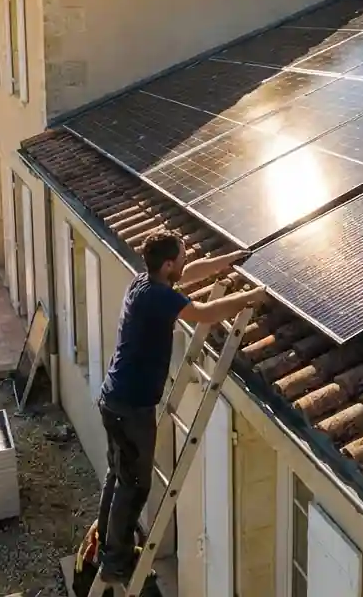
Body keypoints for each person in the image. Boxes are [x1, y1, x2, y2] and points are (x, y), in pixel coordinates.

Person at [94, 229, 263, 585]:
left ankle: (109, 548)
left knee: (118, 476)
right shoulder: (158, 296)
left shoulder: (146, 282)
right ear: (168, 264)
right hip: (132, 407)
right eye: (181, 259)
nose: (186, 263)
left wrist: (228, 259)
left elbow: (196, 270)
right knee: (135, 485)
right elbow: (204, 313)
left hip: (116, 400)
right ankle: (115, 561)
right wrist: (253, 296)